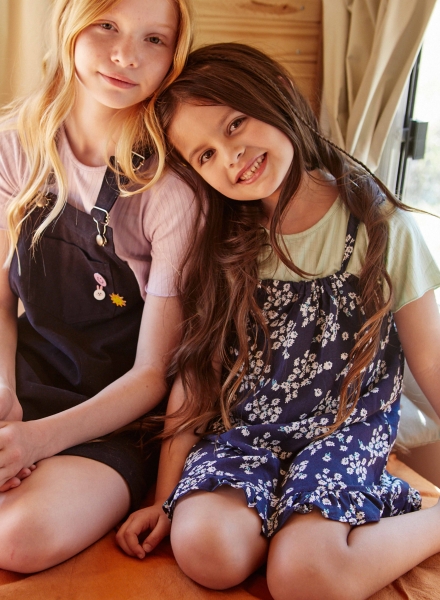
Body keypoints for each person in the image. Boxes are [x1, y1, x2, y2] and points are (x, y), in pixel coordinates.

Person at [117, 43, 440, 600]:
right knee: (206, 551)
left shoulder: (380, 228)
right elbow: (197, 373)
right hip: (244, 432)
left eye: (235, 124)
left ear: (276, 94)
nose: (231, 156)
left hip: (341, 434)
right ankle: (276, 520)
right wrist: (164, 499)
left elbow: (430, 361)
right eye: (206, 155)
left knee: (306, 576)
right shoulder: (220, 245)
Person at [0, 0, 195, 573]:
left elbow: (152, 375)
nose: (126, 55)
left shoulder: (171, 193)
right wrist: (5, 396)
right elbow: (1, 304)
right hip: (24, 383)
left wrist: (37, 441)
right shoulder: (15, 146)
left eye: (154, 39)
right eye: (107, 26)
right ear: (70, 25)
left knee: (18, 539)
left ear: (173, 58)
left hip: (115, 418)